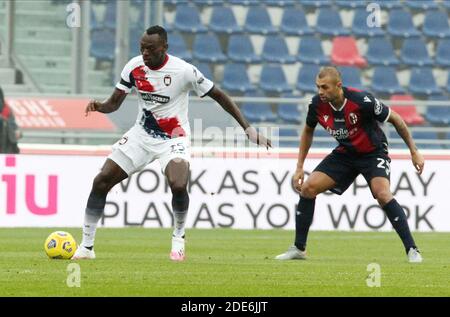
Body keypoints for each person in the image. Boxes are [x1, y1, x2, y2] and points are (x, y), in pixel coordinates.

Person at [72, 25, 271, 261]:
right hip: (141, 135)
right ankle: (86, 247)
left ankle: (178, 237)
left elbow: (219, 95)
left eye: (150, 48)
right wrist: (100, 106)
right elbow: (114, 103)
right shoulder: (134, 67)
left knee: (178, 185)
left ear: (164, 47)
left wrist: (247, 128)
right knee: (101, 180)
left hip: (173, 138)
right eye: (142, 48)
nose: (145, 53)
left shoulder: (184, 71)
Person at [275, 66, 424, 263]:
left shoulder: (363, 101)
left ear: (339, 86)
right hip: (346, 153)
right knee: (308, 188)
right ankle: (298, 249)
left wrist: (414, 152)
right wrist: (299, 167)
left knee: (382, 193)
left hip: (373, 152)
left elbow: (396, 119)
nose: (320, 92)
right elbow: (308, 131)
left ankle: (412, 249)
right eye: (318, 87)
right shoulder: (317, 105)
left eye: (325, 87)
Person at [0, 87, 21, 154]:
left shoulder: (7, 110)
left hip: (7, 146)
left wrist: (16, 130)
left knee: (10, 163)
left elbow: (13, 124)